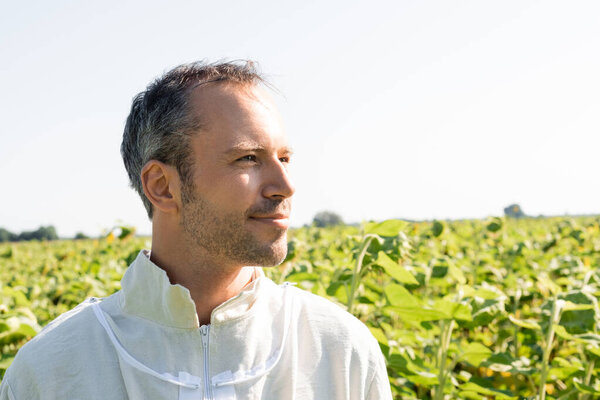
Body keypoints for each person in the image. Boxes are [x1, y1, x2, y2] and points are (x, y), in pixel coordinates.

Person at [0, 61, 392, 399]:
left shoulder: (339, 351)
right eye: (248, 158)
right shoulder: (52, 370)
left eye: (285, 157)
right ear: (162, 186)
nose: (285, 185)